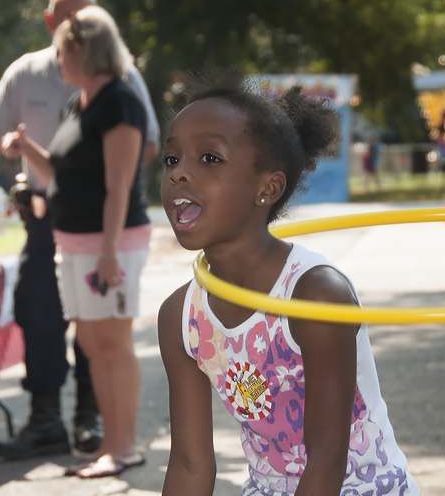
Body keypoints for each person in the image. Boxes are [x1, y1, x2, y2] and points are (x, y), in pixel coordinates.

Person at [157, 68, 419, 496]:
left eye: (209, 158)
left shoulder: (317, 296)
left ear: (267, 188)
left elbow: (327, 458)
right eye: (172, 159)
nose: (178, 174)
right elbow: (189, 465)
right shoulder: (180, 318)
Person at [0, 0, 159, 461]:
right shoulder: (74, 100)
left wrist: (107, 253)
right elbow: (60, 173)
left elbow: (120, 183)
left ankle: (116, 442)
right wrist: (26, 150)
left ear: (84, 49)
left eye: (65, 50)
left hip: (108, 240)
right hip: (67, 236)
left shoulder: (120, 98)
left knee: (110, 343)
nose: (58, 60)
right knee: (78, 332)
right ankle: (92, 439)